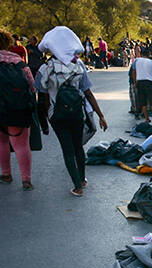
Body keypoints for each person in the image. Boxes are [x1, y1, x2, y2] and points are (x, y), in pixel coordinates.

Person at [35, 26, 107, 196]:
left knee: (67, 150)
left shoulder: (45, 69)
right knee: (78, 148)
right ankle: (82, 179)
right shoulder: (79, 66)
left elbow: (42, 98)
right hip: (77, 113)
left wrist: (45, 121)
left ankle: (77, 187)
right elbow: (88, 93)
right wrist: (100, 116)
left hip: (57, 115)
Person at [0, 29, 35, 190]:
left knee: (1, 142)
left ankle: (6, 174)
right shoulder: (17, 60)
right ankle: (26, 179)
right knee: (21, 144)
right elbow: (31, 85)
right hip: (18, 108)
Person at [130, 48, 152, 124]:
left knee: (143, 102)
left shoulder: (136, 61)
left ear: (141, 54)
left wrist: (135, 82)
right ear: (149, 55)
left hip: (140, 82)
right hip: (149, 83)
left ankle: (147, 119)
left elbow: (133, 72)